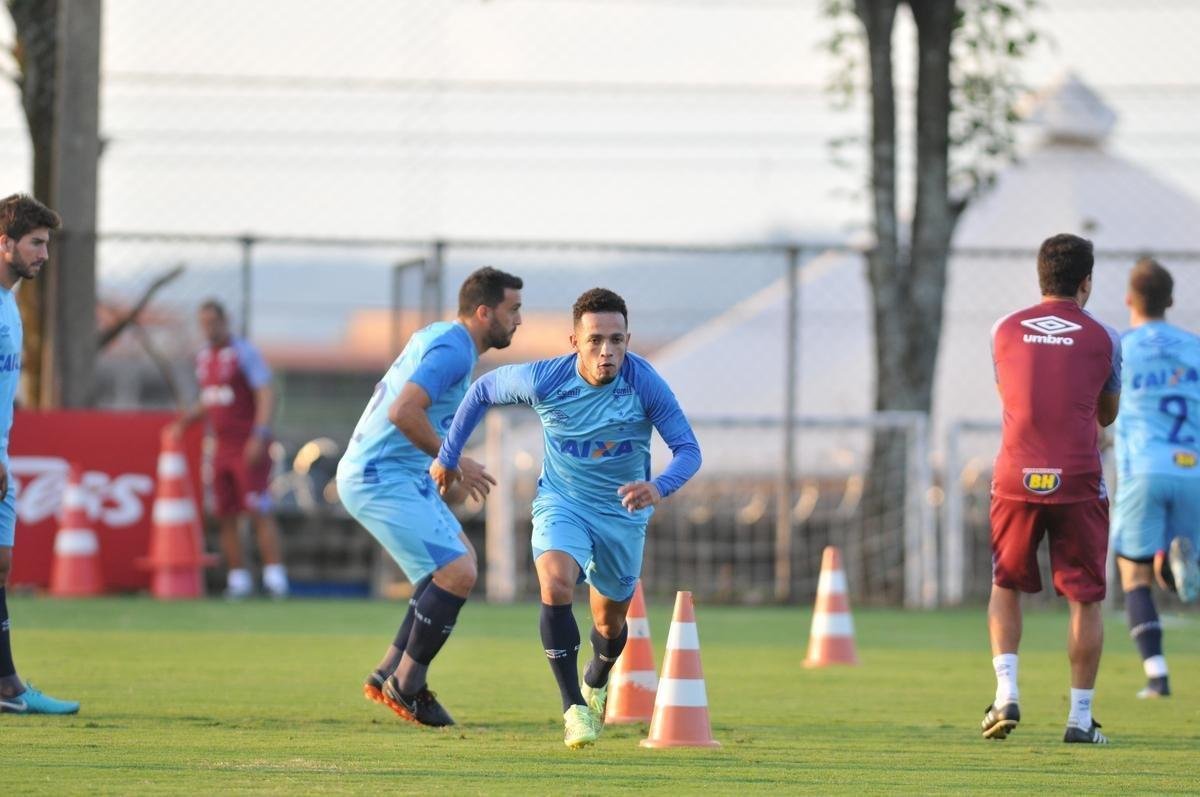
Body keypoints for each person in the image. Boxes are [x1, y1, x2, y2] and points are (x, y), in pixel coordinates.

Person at [431, 287, 702, 749]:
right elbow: (481, 391)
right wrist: (448, 455)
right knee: (555, 582)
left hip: (623, 514)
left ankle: (597, 678)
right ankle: (573, 705)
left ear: (628, 340)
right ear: (574, 341)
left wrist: (657, 487)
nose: (607, 351)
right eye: (595, 339)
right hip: (563, 502)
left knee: (610, 625)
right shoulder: (544, 379)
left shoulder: (645, 383)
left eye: (617, 340)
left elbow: (688, 450)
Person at [337, 266, 523, 728]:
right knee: (457, 571)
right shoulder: (455, 351)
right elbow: (404, 411)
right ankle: (408, 685)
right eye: (513, 310)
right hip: (380, 476)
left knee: (452, 566)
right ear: (484, 312)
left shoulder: (444, 338)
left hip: (393, 473)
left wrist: (441, 463)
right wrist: (453, 459)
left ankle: (388, 673)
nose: (519, 320)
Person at [982, 233, 1121, 745]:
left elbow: (1012, 396)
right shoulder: (1105, 337)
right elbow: (1107, 413)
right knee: (1084, 599)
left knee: (1006, 584)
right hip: (1079, 475)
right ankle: (1080, 719)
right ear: (1086, 282)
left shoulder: (1003, 330)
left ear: (1039, 277)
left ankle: (1005, 694)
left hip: (1016, 474)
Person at [0, 193, 79, 715]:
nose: (43, 254)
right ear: (4, 243)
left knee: (1, 567)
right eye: (35, 243)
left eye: (46, 244)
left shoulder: (11, 302)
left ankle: (7, 686)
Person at [1111, 257, 1200, 699]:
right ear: (1171, 301)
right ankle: (1175, 561)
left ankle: (1156, 674)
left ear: (1129, 299)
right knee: (1178, 566)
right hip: (1192, 467)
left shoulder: (1121, 346)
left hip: (1143, 468)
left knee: (1134, 575)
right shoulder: (1194, 346)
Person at [169, 299, 289, 598]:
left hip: (247, 443)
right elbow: (209, 399)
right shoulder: (204, 358)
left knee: (258, 510)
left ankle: (275, 579)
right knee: (225, 513)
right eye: (204, 322)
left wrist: (259, 435)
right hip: (220, 447)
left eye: (213, 321)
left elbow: (265, 392)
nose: (209, 327)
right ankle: (238, 579)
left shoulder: (243, 352)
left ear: (225, 320)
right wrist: (185, 423)